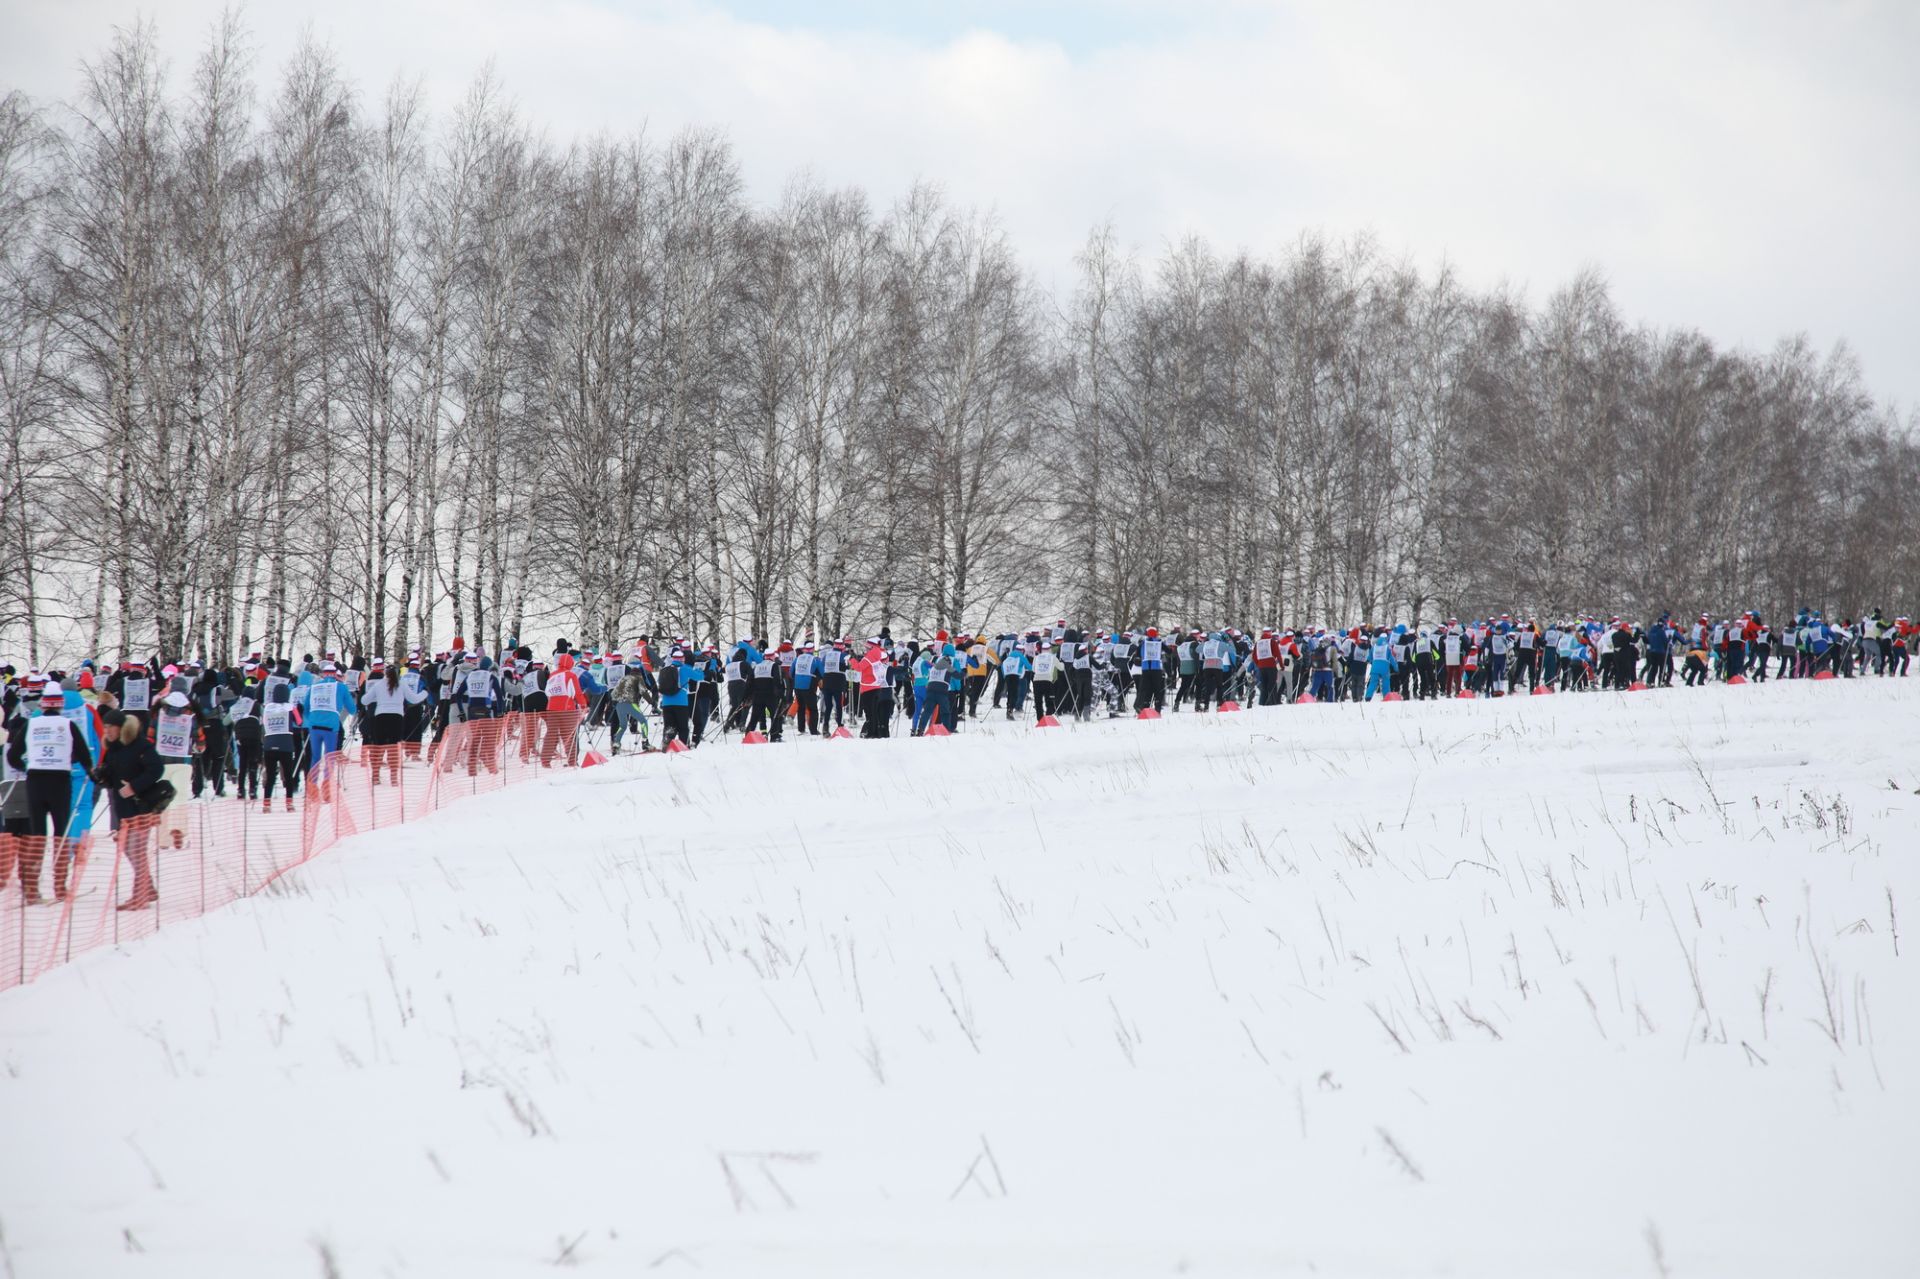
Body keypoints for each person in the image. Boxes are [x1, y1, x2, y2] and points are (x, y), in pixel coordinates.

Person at [4, 684, 97, 902]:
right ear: (60, 705)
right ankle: (59, 886)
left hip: (36, 782)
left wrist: (26, 766)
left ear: (43, 703)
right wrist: (91, 773)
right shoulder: (68, 724)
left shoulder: (31, 724)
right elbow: (84, 755)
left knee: (37, 836)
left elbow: (13, 756)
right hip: (60, 783)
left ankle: (32, 889)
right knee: (61, 834)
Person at [94, 713, 168, 910]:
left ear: (122, 728)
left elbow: (156, 769)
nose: (107, 730)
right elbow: (113, 775)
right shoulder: (113, 749)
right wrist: (103, 776)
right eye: (105, 726)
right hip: (123, 807)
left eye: (111, 726)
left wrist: (134, 786)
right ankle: (148, 887)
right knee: (129, 849)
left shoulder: (140, 746)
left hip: (142, 805)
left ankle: (140, 896)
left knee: (137, 850)